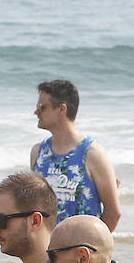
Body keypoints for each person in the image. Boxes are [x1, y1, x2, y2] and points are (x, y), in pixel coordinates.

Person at [30, 79, 121, 230]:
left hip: (81, 249)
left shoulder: (92, 153)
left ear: (62, 109)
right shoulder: (38, 152)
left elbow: (113, 213)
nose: (36, 112)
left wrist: (94, 246)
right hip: (46, 249)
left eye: (42, 107)